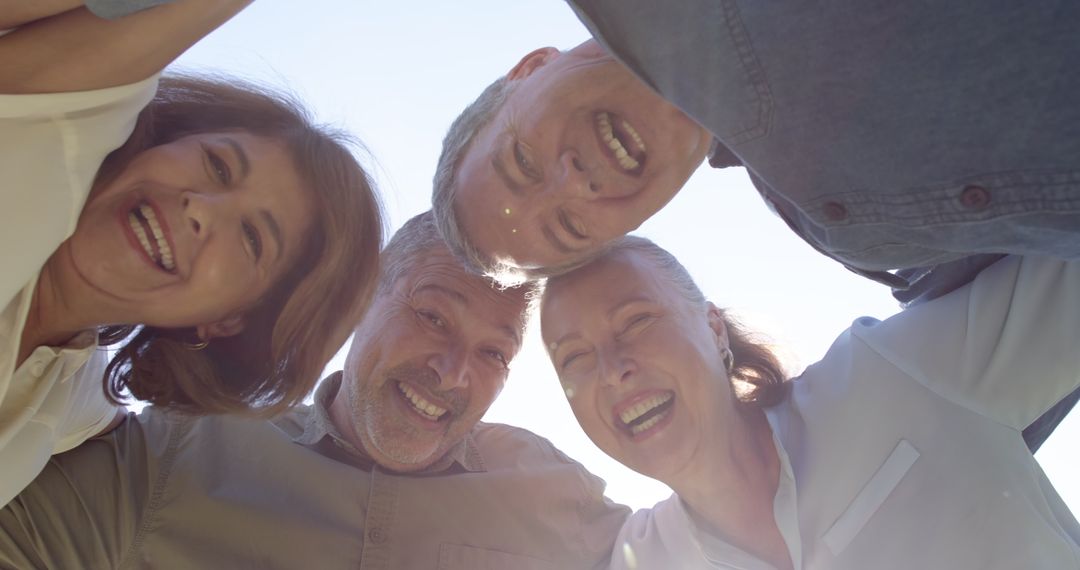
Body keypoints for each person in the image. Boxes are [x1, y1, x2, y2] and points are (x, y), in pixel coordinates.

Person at [431, 2, 1080, 448]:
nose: (573, 177)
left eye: (522, 160)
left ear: (530, 67)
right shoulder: (838, 221)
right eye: (571, 227)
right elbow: (992, 364)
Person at [0, 212, 630, 569]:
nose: (452, 371)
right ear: (363, 298)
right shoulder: (179, 452)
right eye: (433, 316)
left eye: (494, 352)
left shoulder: (553, 492)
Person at [0, 3, 383, 508]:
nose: (201, 209)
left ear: (227, 322)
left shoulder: (68, 402)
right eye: (218, 166)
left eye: (251, 238)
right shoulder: (34, 133)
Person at [539, 237, 1080, 569]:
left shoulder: (888, 375)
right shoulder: (640, 560)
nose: (612, 370)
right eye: (575, 359)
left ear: (714, 330)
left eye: (636, 321)